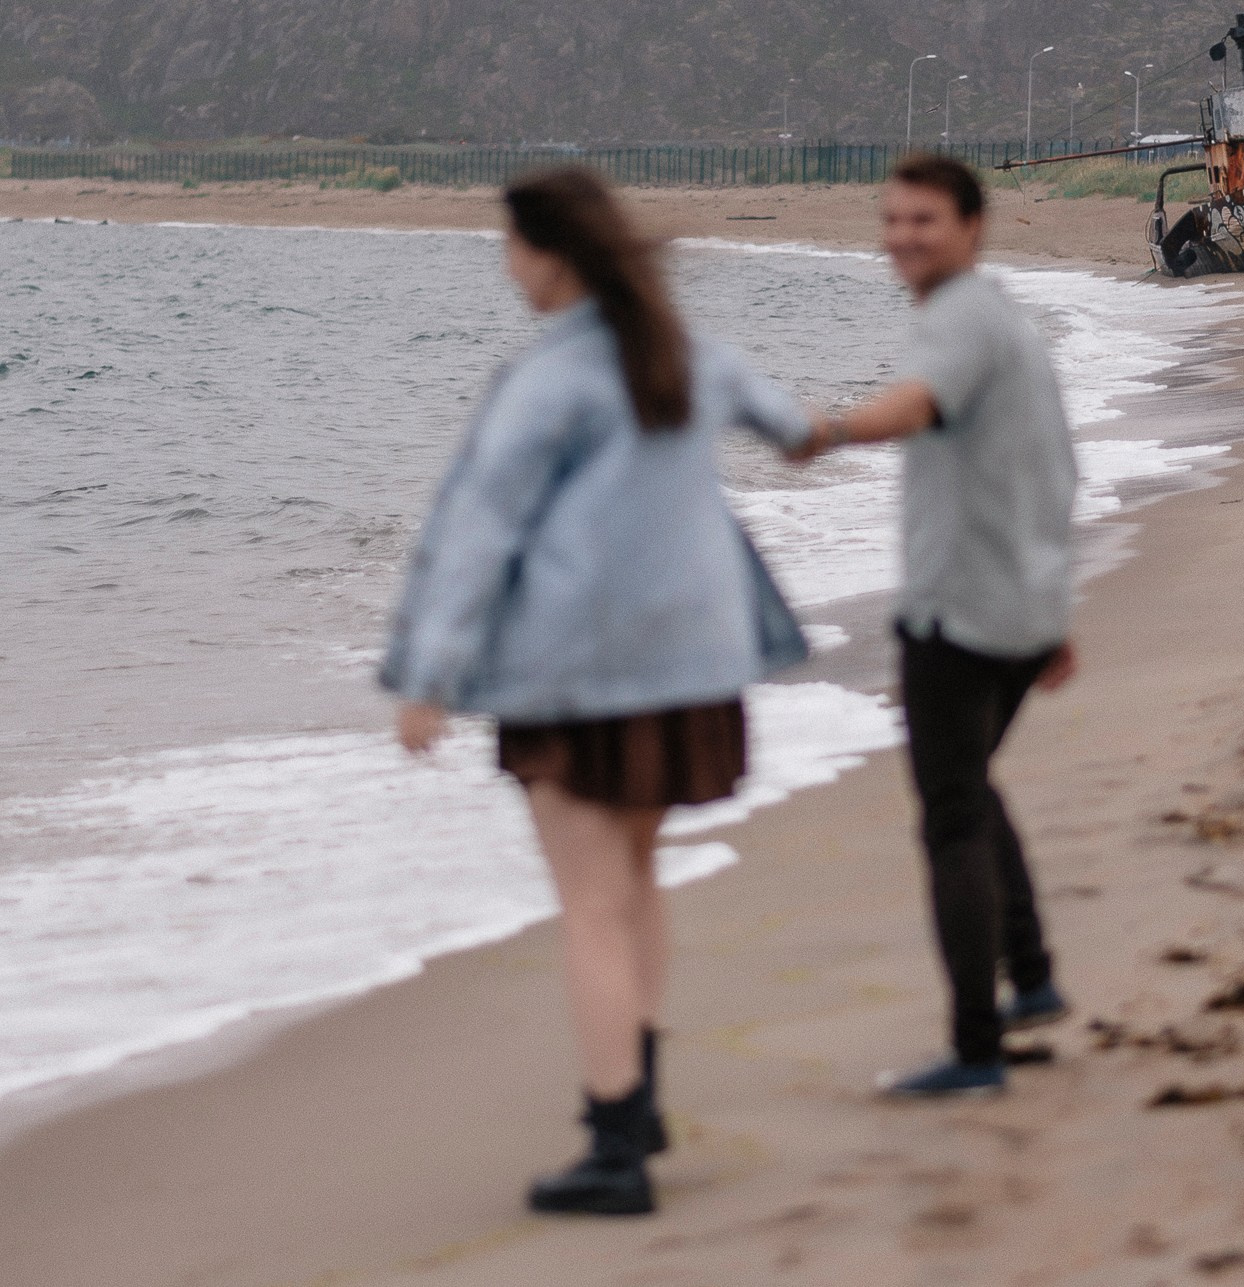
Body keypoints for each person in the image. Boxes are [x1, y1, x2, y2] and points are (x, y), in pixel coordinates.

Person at [381, 167, 814, 1215]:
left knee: (589, 909)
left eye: (511, 245)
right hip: (690, 667)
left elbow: (481, 534)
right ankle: (640, 1097)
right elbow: (790, 425)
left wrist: (429, 677)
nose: (506, 264)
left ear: (549, 254)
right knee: (633, 881)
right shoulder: (681, 353)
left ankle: (614, 1143)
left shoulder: (548, 382)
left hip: (576, 674)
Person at [794, 153, 1079, 1099]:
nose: (904, 237)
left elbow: (916, 405)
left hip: (961, 609)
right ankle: (1030, 978)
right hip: (1017, 604)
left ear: (972, 227)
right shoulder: (1003, 319)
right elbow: (1052, 465)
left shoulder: (959, 319)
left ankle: (974, 1048)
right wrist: (1055, 608)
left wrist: (831, 430)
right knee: (969, 782)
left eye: (923, 220)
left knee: (950, 812)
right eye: (893, 221)